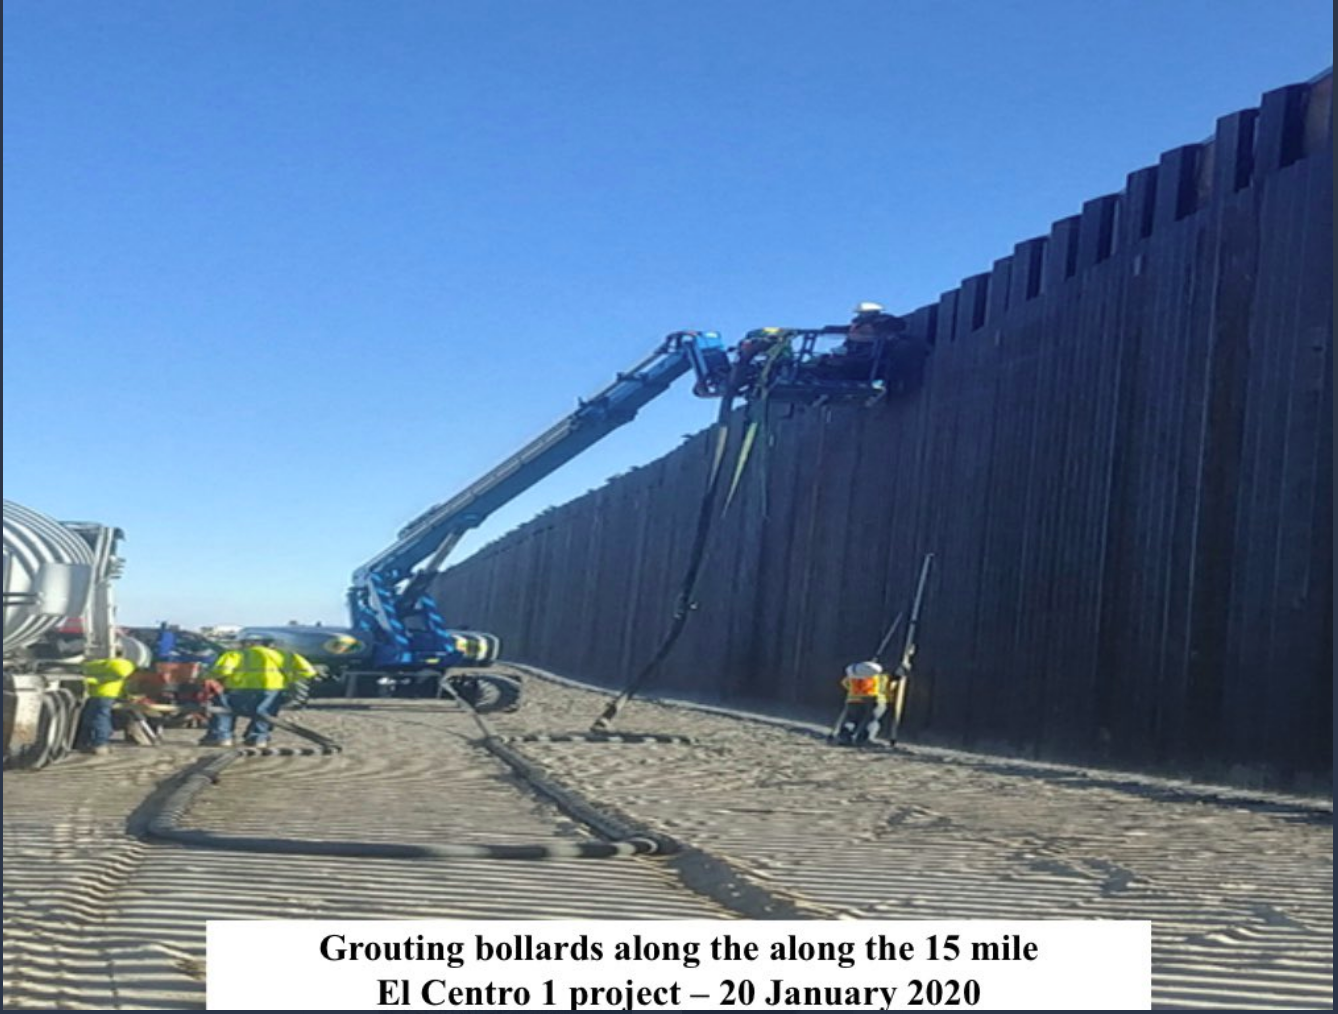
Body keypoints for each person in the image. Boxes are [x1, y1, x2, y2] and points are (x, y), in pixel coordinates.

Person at [202, 634, 290, 748]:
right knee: (265, 712)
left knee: (224, 709)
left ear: (244, 643)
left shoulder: (234, 655)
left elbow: (221, 671)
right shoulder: (282, 655)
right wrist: (287, 681)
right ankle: (259, 739)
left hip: (238, 688)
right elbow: (305, 671)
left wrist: (205, 676)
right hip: (272, 689)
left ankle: (223, 737)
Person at [79, 650, 136, 755]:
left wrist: (88, 679)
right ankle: (97, 742)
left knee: (98, 719)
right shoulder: (125, 666)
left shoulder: (104, 664)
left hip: (99, 695)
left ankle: (99, 743)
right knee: (99, 718)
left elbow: (86, 670)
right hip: (110, 695)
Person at [833, 659, 893, 746]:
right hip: (875, 699)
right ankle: (864, 739)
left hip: (854, 699)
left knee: (852, 719)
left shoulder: (853, 676)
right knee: (872, 720)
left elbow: (845, 683)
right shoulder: (881, 677)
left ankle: (844, 737)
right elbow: (889, 686)